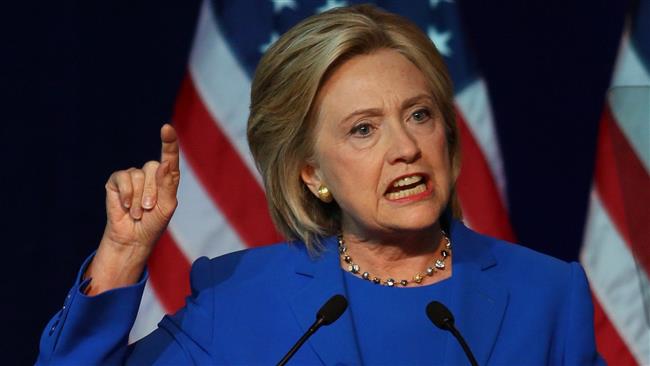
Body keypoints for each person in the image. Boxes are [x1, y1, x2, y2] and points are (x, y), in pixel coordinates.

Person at [38, 5, 603, 365]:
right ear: (312, 174)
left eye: (420, 115)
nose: (405, 146)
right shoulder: (238, 299)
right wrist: (123, 254)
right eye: (363, 129)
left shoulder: (547, 296)